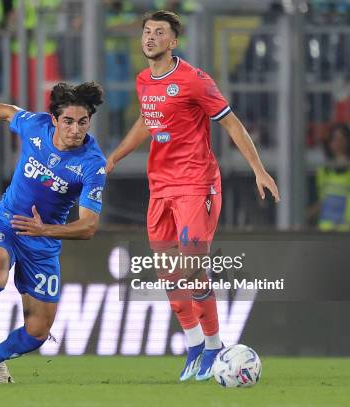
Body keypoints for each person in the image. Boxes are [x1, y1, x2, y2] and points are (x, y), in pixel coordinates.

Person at [105, 11, 279, 381]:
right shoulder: (143, 80)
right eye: (147, 32)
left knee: (192, 267)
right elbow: (146, 121)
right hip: (161, 187)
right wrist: (116, 156)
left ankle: (215, 347)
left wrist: (259, 169)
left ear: (173, 42)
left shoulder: (194, 81)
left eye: (159, 33)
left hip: (196, 183)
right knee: (168, 274)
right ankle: (195, 346)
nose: (150, 38)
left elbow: (230, 122)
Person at [0, 82, 107, 383]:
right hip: (7, 222)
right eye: (68, 121)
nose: (75, 129)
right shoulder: (36, 126)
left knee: (37, 333)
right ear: (54, 120)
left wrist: (43, 229)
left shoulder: (93, 164)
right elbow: (10, 112)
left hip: (43, 240)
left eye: (82, 122)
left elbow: (88, 226)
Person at [313, 123, 350, 231]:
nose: (338, 142)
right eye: (334, 138)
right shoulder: (324, 168)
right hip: (328, 226)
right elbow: (323, 198)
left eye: (342, 138)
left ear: (349, 141)